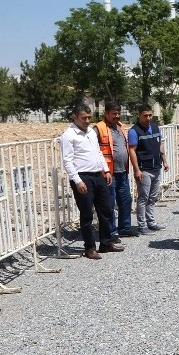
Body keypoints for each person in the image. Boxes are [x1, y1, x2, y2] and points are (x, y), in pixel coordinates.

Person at [60, 103, 119, 260]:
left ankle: (106, 242)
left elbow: (98, 152)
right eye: (83, 118)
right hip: (82, 176)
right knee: (87, 213)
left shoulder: (91, 133)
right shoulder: (69, 135)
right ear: (75, 117)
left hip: (97, 175)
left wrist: (105, 169)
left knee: (106, 210)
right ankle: (89, 247)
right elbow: (67, 160)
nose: (87, 121)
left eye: (88, 117)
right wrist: (77, 181)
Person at [127, 104, 169, 235]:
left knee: (153, 197)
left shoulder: (155, 127)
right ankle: (142, 225)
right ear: (139, 115)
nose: (148, 118)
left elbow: (160, 144)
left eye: (150, 115)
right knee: (143, 198)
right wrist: (136, 169)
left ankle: (151, 222)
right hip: (144, 169)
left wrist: (165, 160)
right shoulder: (134, 131)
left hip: (156, 167)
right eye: (145, 116)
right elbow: (132, 151)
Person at [94, 102, 134, 239]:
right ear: (106, 113)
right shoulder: (99, 128)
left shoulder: (121, 127)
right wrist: (103, 170)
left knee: (126, 200)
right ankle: (110, 232)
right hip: (108, 174)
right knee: (109, 204)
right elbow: (94, 150)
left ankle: (124, 228)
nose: (117, 116)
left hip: (122, 172)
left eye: (118, 113)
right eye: (114, 114)